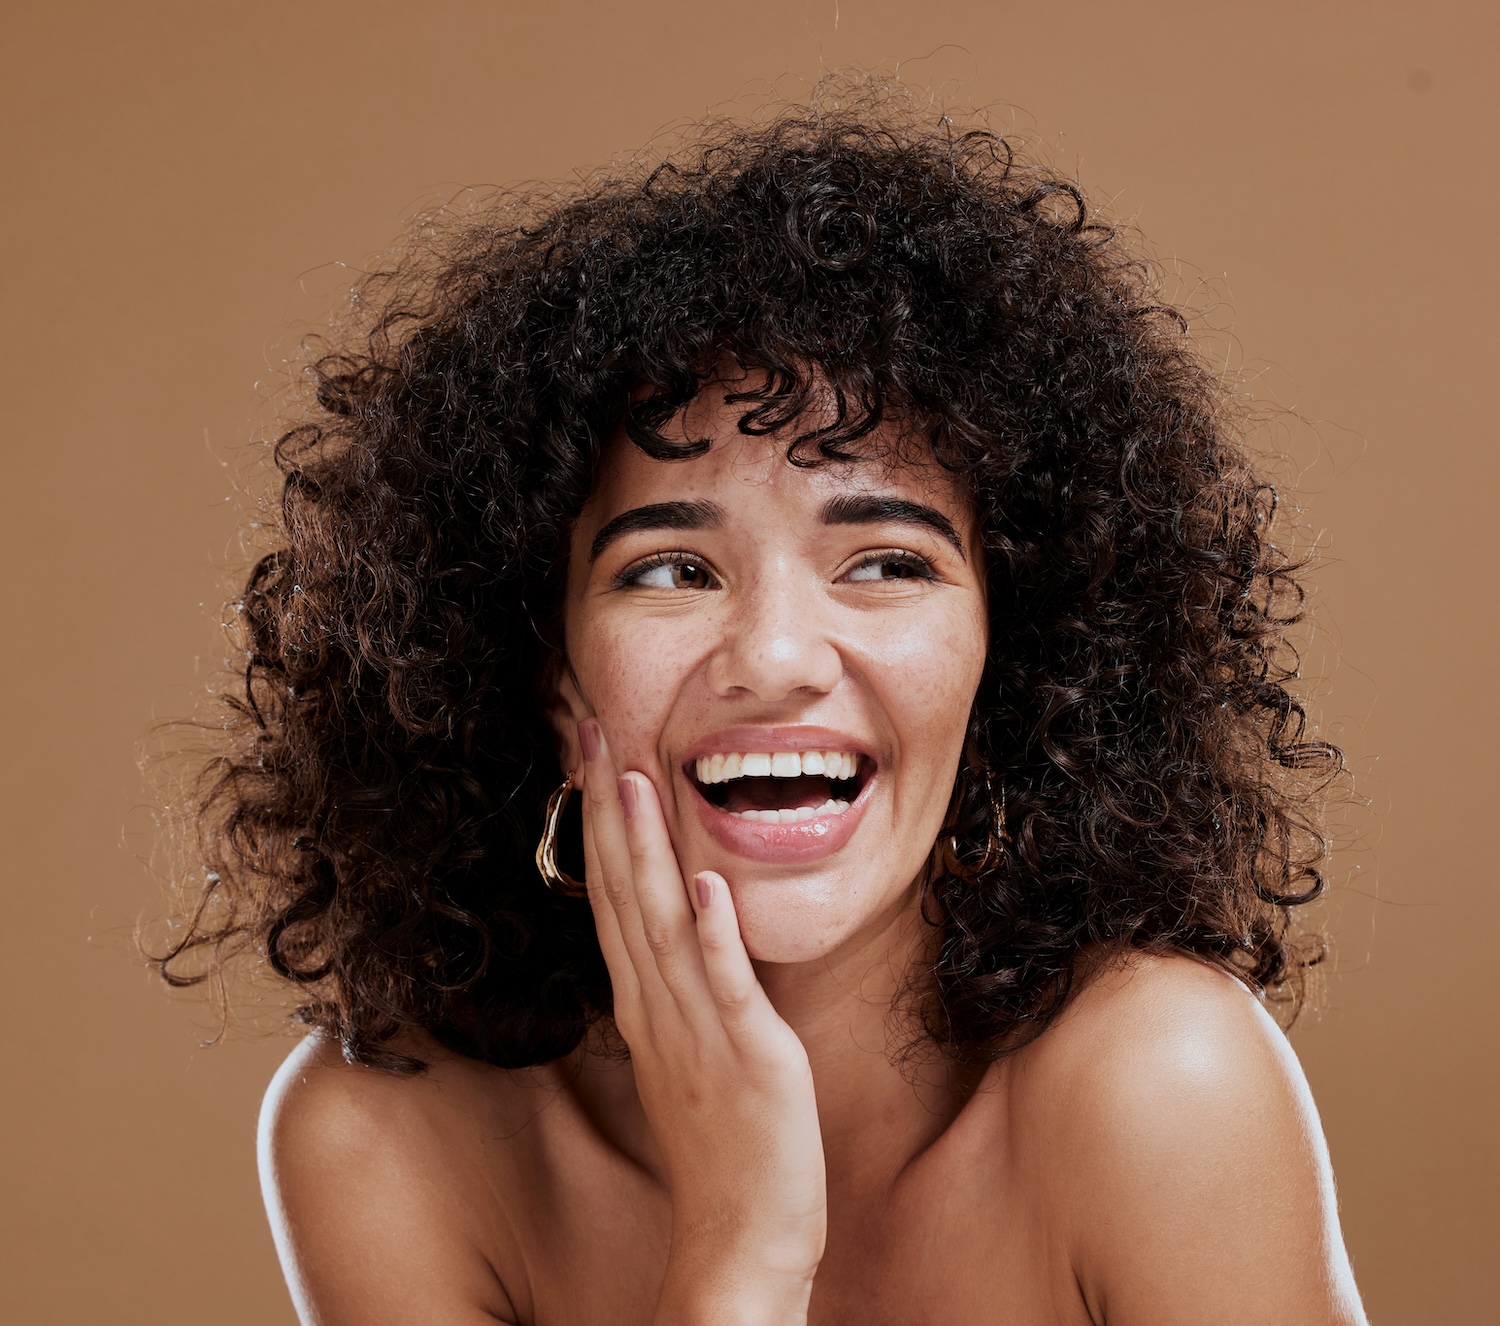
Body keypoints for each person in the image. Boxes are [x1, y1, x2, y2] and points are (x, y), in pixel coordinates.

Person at [162, 83, 1368, 1324]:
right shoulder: (392, 1139)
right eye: (672, 570)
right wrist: (741, 1251)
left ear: (1013, 656)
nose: (779, 656)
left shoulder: (1162, 1088)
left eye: (889, 562)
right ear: (541, 660)